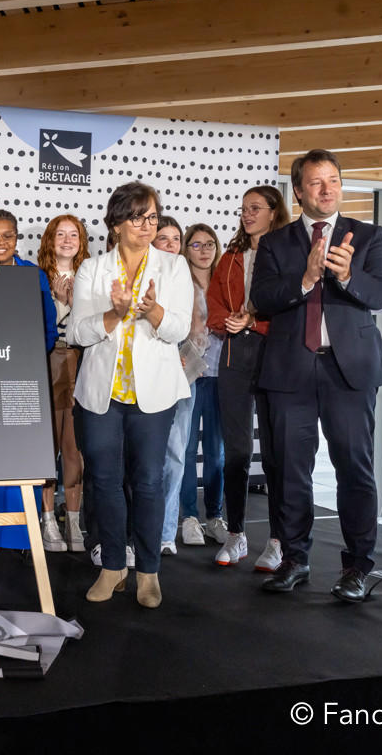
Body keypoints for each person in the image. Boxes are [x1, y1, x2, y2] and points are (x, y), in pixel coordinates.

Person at [251, 150, 382, 603]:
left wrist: (349, 276)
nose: (327, 189)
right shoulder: (276, 243)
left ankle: (357, 566)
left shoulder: (368, 235)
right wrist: (307, 279)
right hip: (291, 368)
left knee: (354, 467)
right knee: (290, 469)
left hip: (348, 370)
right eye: (316, 183)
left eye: (333, 180)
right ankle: (295, 558)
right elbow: (263, 299)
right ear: (299, 191)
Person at [69, 182, 192, 608]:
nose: (148, 224)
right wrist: (115, 313)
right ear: (117, 222)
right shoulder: (92, 268)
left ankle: (149, 572)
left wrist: (153, 312)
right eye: (139, 216)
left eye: (153, 216)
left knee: (148, 481)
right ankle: (113, 567)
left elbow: (179, 329)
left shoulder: (173, 268)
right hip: (101, 394)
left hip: (154, 396)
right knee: (102, 479)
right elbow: (78, 332)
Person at [0, 209, 57, 570]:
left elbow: (48, 329)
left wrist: (24, 360)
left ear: (17, 238)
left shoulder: (33, 276)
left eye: (8, 235)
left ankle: (21, 537)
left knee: (19, 459)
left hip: (21, 379)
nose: (1, 243)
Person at [207, 186, 290, 571]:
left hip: (276, 357)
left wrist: (254, 322)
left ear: (275, 212)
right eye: (243, 209)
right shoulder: (231, 257)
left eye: (255, 208)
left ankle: (278, 542)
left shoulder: (291, 253)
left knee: (276, 456)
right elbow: (213, 308)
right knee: (236, 452)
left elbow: (295, 311)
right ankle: (237, 534)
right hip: (234, 356)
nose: (246, 214)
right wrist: (231, 320)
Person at [36, 214, 89, 553]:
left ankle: (72, 519)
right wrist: (58, 301)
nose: (67, 241)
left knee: (74, 449)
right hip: (49, 361)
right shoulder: (37, 276)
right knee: (48, 447)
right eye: (60, 234)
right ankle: (46, 520)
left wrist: (74, 302)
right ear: (49, 240)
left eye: (74, 235)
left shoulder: (91, 276)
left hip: (83, 363)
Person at [178, 223, 226, 546]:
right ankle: (189, 517)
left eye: (209, 244)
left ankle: (214, 516)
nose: (204, 250)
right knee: (183, 449)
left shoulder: (226, 282)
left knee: (216, 452)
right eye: (196, 245)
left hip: (222, 375)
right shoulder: (179, 282)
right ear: (186, 249)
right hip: (189, 375)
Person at [153, 216, 191, 556]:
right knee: (146, 462)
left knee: (176, 457)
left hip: (182, 380)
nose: (170, 244)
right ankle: (143, 532)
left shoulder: (184, 277)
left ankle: (166, 532)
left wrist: (182, 353)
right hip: (146, 381)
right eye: (162, 238)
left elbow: (188, 328)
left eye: (175, 238)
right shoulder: (140, 278)